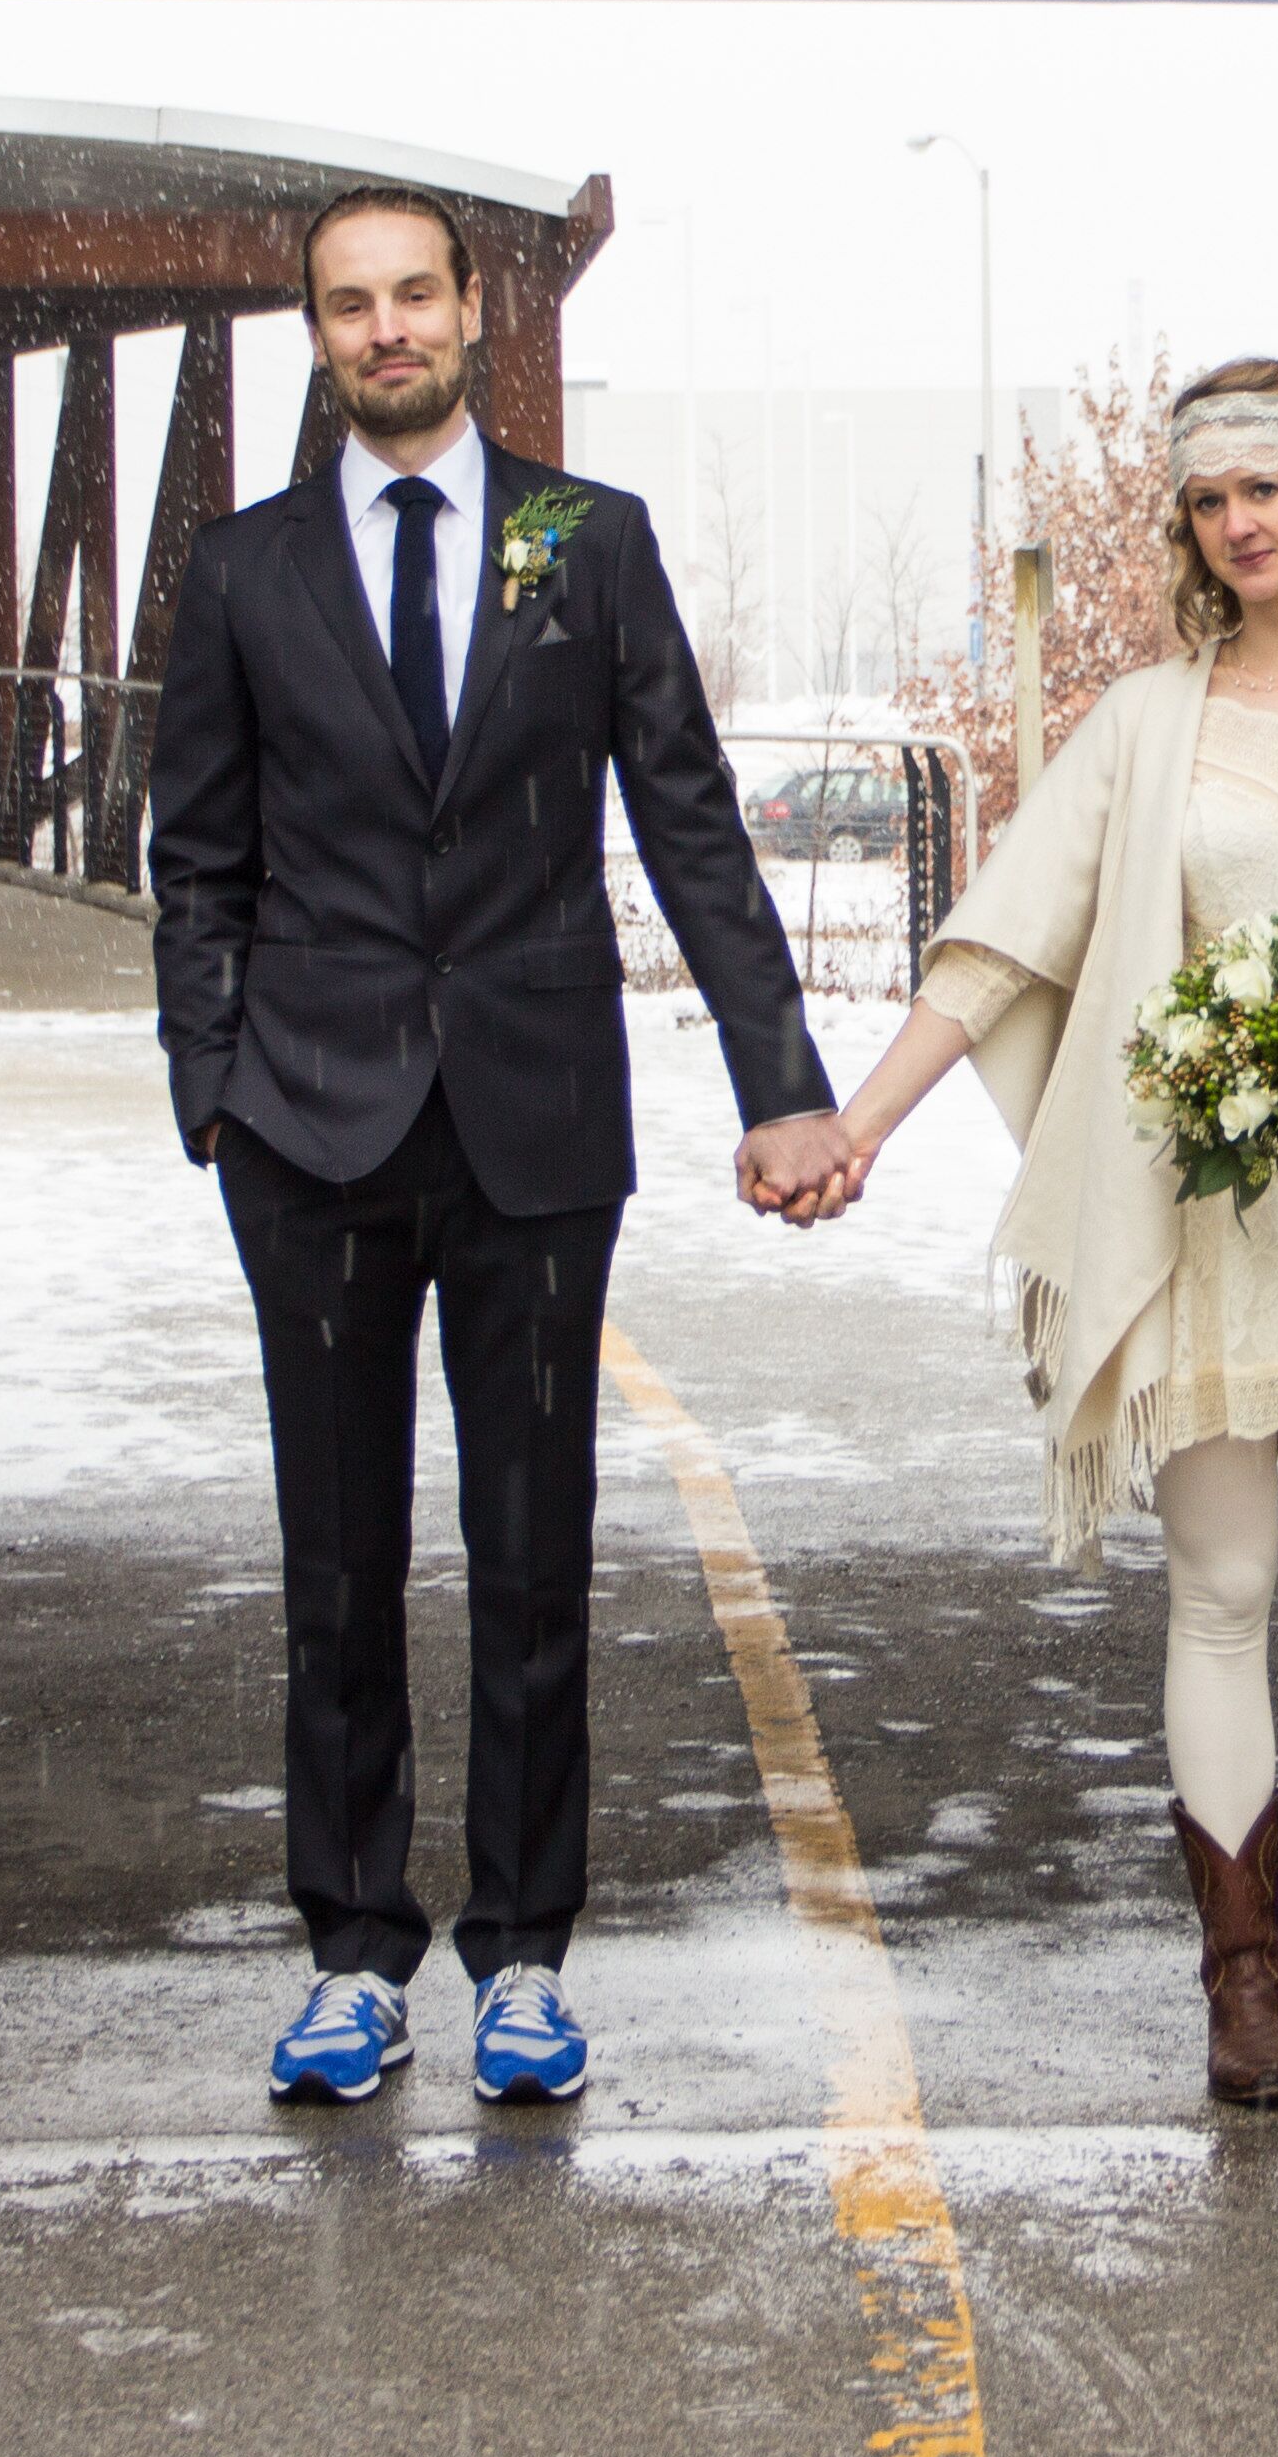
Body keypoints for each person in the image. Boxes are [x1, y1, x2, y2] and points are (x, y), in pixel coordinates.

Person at [147, 186, 854, 2108]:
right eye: (347, 305)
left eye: (414, 295)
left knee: (534, 1555)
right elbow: (197, 854)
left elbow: (689, 822)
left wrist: (779, 1081)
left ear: (471, 312)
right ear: (315, 335)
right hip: (308, 1122)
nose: (386, 329)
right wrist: (211, 1081)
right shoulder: (243, 570)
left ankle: (526, 1953)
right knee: (337, 1561)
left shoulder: (585, 543)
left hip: (539, 1126)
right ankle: (355, 1952)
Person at [830, 359, 1278, 2107]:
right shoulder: (1148, 722)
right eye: (1206, 498)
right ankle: (1239, 1984)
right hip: (1205, 1209)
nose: (1236, 522)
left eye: (1263, 487)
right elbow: (1004, 937)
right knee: (1226, 1586)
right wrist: (862, 1121)